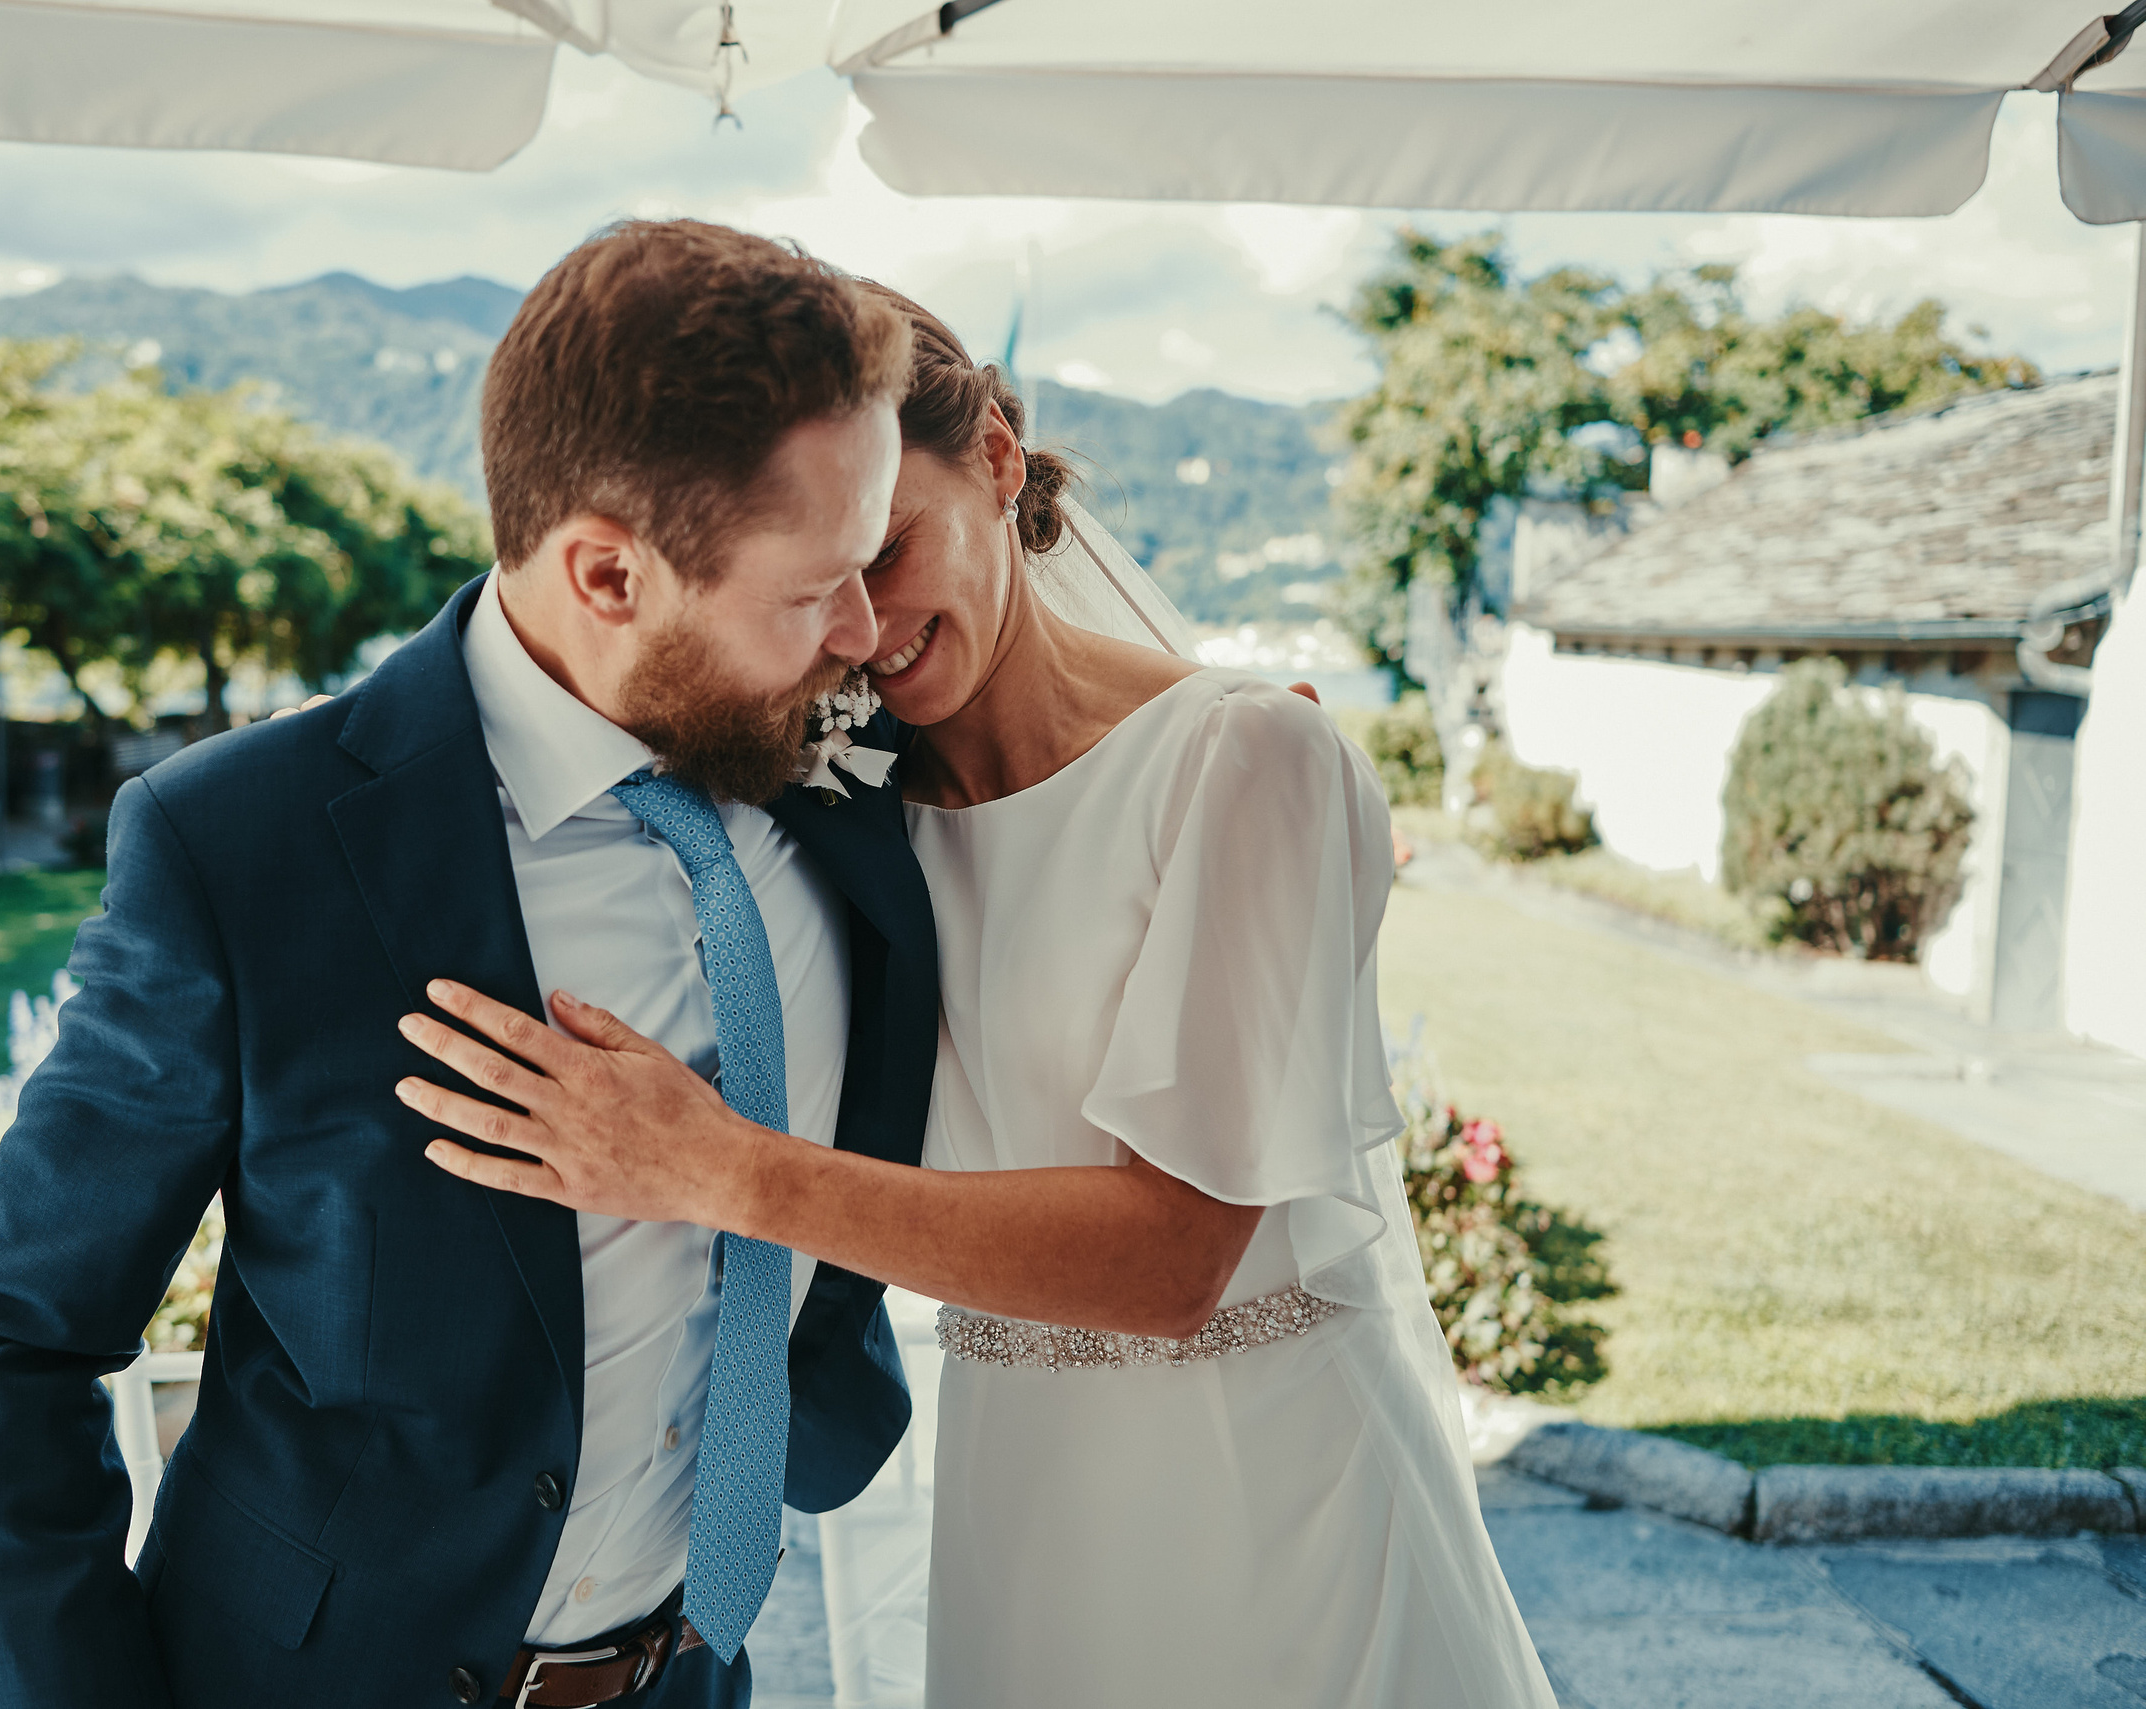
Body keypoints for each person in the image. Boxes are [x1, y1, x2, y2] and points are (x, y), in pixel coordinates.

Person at [397, 288, 1560, 1706]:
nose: (863, 623)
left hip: (1267, 1498)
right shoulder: (840, 820)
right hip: (1018, 1500)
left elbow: (1175, 1257)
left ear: (1000, 459)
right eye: (816, 576)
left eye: (891, 549)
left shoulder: (1247, 762)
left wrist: (716, 1168)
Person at [0, 220, 942, 1709]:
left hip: (696, 1672)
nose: (864, 632)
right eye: (810, 590)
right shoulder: (241, 846)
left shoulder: (841, 789)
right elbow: (11, 1342)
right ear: (605, 573)